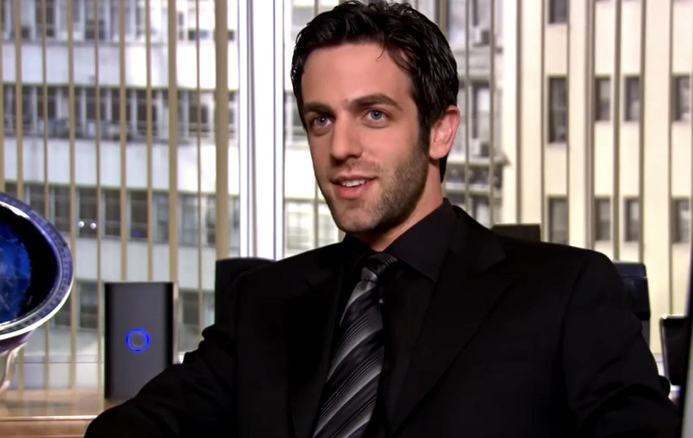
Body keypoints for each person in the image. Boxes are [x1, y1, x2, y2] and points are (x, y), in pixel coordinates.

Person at [85, 2, 679, 437]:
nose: (340, 146)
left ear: (440, 130)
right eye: (320, 119)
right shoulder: (264, 302)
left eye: (373, 114)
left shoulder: (565, 291)